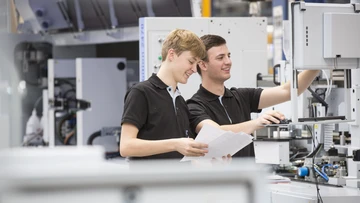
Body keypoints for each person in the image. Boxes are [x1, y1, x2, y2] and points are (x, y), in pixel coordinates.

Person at [187, 34, 320, 157]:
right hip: (220, 181)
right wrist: (257, 123)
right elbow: (216, 133)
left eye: (229, 55)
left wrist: (317, 63)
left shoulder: (241, 96)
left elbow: (287, 91)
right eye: (220, 58)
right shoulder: (194, 106)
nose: (228, 62)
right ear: (203, 65)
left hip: (247, 178)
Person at [120, 29, 209, 160]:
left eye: (197, 64)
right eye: (191, 61)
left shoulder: (180, 101)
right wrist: (175, 144)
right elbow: (126, 146)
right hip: (149, 180)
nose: (195, 70)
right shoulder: (141, 93)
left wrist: (214, 160)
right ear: (171, 54)